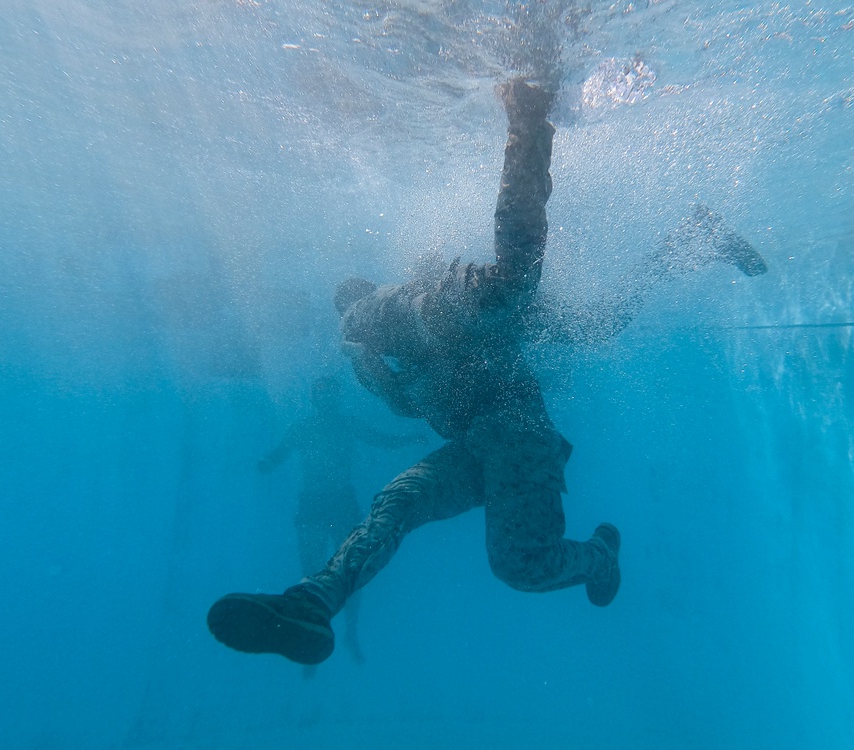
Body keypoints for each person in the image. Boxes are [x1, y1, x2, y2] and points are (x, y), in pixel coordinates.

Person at [207, 77, 766, 666]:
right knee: (397, 501)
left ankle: (601, 554)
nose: (353, 324)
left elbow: (482, 297)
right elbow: (405, 391)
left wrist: (526, 131)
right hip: (478, 439)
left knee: (519, 564)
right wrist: (387, 364)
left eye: (355, 315)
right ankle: (313, 601)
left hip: (516, 429)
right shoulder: (389, 347)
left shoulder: (407, 308)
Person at [255, 375, 425, 668]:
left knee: (351, 570)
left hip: (340, 501)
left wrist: (411, 438)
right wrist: (259, 464)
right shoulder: (303, 428)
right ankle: (311, 632)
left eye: (331, 395)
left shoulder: (344, 424)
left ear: (336, 398)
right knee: (314, 569)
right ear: (314, 398)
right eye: (323, 395)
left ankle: (350, 633)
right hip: (314, 502)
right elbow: (277, 457)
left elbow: (381, 440)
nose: (327, 400)